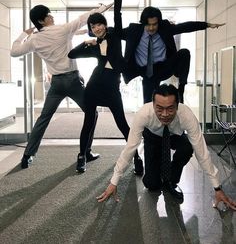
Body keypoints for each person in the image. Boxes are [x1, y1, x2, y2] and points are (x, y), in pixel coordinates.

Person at [97, 84, 236, 210]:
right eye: (159, 109)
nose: (164, 114)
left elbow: (202, 151)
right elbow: (130, 147)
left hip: (174, 136)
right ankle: (158, 172)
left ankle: (171, 179)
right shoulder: (143, 114)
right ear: (153, 105)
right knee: (152, 184)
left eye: (170, 109)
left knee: (188, 146)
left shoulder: (186, 115)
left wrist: (217, 188)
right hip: (152, 137)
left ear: (177, 105)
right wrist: (114, 182)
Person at [11, 1, 112, 169]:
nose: (52, 16)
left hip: (56, 84)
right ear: (42, 20)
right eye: (49, 15)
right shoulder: (62, 29)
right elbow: (83, 18)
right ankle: (86, 152)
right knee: (91, 113)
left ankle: (27, 155)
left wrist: (24, 34)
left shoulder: (34, 39)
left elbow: (14, 52)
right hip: (73, 81)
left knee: (43, 118)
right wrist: (102, 8)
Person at [68, 0, 143, 175]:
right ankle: (82, 157)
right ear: (91, 29)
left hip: (111, 88)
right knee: (88, 122)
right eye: (93, 27)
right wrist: (86, 42)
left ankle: (136, 158)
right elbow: (71, 54)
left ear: (104, 24)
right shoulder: (92, 46)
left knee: (122, 124)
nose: (97, 28)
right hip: (93, 87)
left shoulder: (115, 35)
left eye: (99, 24)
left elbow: (117, 11)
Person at [121, 7, 225, 103]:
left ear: (159, 23)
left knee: (184, 53)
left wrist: (206, 25)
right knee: (148, 105)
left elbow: (184, 27)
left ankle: (181, 90)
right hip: (146, 72)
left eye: (155, 24)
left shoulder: (165, 28)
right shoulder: (133, 31)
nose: (152, 28)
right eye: (148, 25)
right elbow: (115, 32)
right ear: (143, 23)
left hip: (164, 67)